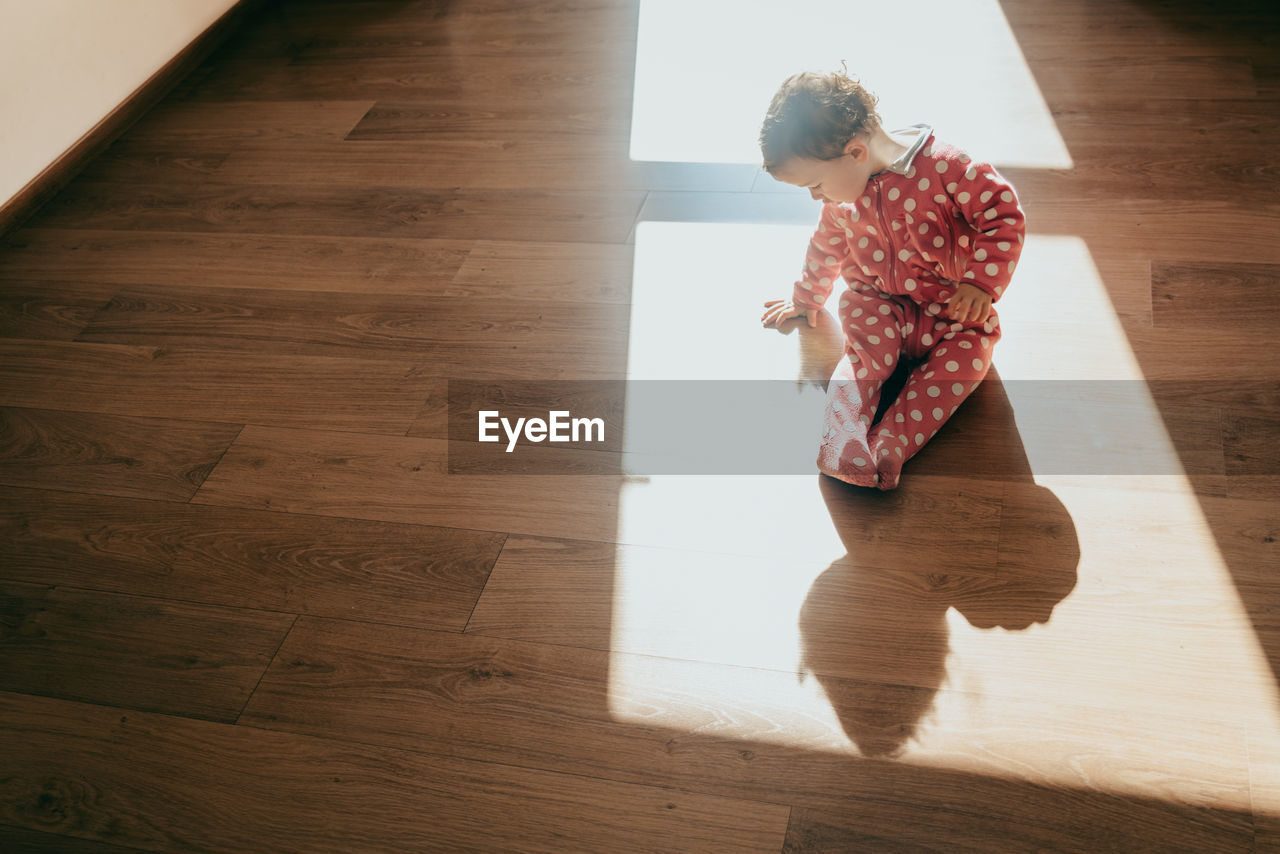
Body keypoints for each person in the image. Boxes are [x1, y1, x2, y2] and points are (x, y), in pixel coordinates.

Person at [759, 69, 1025, 490]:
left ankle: (892, 445)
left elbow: (1003, 214)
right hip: (879, 304)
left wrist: (980, 283)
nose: (816, 197)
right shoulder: (842, 198)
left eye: (815, 184)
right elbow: (825, 247)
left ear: (856, 152)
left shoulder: (948, 169)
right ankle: (842, 440)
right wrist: (807, 298)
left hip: (953, 311)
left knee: (968, 362)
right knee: (864, 359)